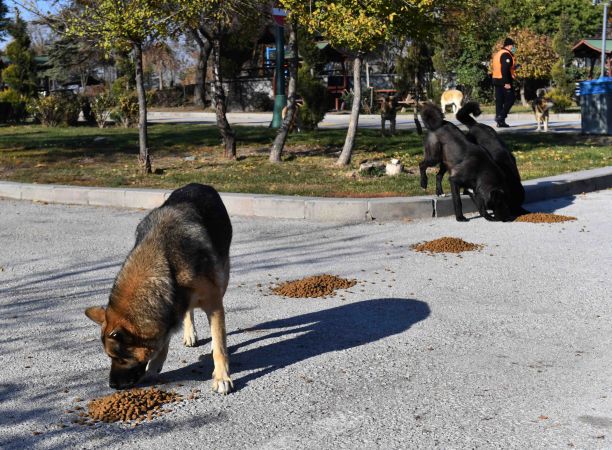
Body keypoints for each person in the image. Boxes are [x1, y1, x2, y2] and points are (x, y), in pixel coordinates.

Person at [491, 37, 518, 128]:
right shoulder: (506, 55)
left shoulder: (498, 53)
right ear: (509, 46)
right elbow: (504, 69)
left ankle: (500, 122)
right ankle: (500, 116)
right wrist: (506, 83)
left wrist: (514, 67)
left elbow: (501, 67)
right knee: (511, 99)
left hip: (496, 80)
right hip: (504, 81)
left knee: (499, 101)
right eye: (513, 46)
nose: (514, 48)